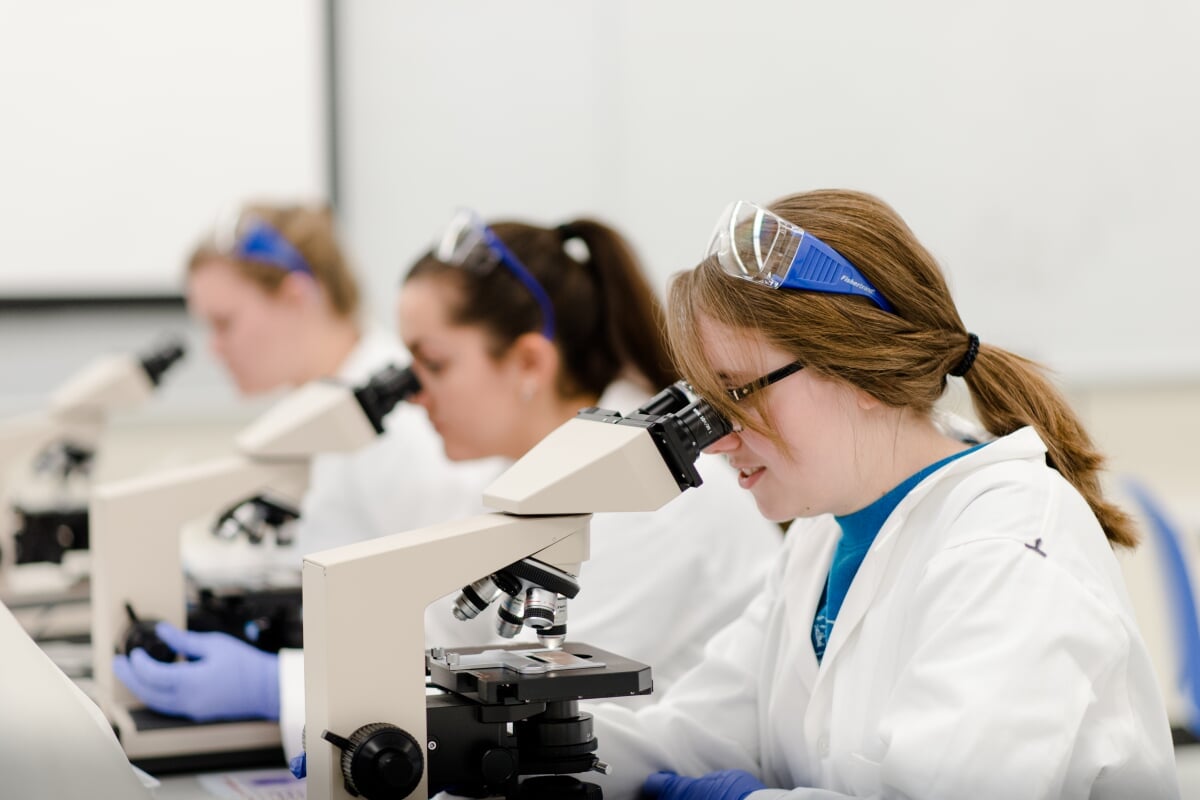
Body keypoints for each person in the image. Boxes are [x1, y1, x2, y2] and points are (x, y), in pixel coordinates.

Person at [115, 208, 784, 767]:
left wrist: (284, 690)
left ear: (528, 362)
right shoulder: (519, 475)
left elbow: (538, 696)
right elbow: (436, 639)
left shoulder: (648, 496)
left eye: (433, 365)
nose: (413, 395)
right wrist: (296, 687)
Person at [584, 190, 1180, 800]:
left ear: (858, 370)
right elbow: (692, 736)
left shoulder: (1009, 547)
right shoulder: (822, 537)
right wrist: (536, 749)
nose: (715, 443)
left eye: (737, 394)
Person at [112, 203, 502, 727]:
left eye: (225, 323)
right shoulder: (316, 408)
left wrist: (276, 685)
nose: (215, 348)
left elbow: (453, 631)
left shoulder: (399, 427)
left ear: (296, 296)